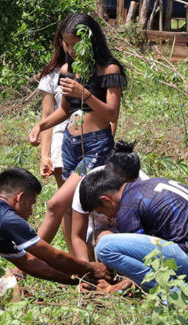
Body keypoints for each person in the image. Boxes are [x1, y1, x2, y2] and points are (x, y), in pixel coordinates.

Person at [27, 13, 126, 245]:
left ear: (89, 41)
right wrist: (41, 125)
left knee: (55, 204)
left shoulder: (109, 70)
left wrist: (86, 94)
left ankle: (25, 263)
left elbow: (112, 113)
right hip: (70, 146)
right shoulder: (66, 70)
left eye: (75, 44)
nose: (70, 49)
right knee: (72, 208)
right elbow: (64, 111)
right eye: (66, 43)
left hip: (96, 147)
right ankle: (78, 269)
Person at [79, 172, 188, 292]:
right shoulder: (147, 185)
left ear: (105, 199)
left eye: (101, 211)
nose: (108, 217)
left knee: (105, 246)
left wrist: (114, 288)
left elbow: (145, 261)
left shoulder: (127, 208)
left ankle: (178, 293)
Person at [71, 141, 149, 261]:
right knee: (106, 241)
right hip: (100, 232)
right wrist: (87, 269)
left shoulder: (143, 185)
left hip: (135, 234)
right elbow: (77, 236)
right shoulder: (88, 187)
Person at [35, 17, 71, 251]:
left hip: (91, 142)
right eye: (67, 42)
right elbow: (47, 117)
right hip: (61, 144)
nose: (71, 48)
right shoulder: (52, 74)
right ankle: (79, 261)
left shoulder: (95, 71)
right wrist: (44, 155)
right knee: (67, 206)